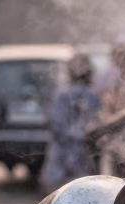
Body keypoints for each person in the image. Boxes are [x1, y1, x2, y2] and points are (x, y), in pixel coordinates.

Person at [41, 52, 101, 195]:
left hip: (58, 165)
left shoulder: (60, 94)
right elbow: (96, 127)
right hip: (83, 166)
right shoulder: (92, 96)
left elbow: (55, 125)